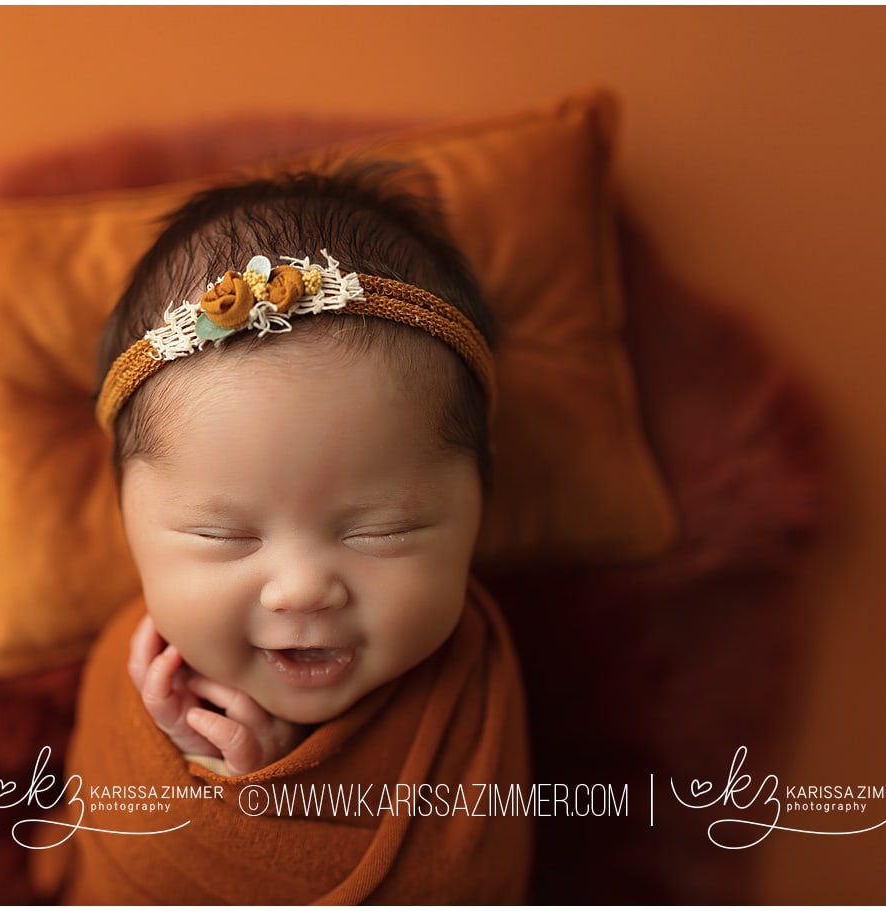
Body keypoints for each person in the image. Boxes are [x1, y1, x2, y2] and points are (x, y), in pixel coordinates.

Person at [34, 164, 531, 902]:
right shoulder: (132, 676)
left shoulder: (467, 693)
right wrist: (203, 774)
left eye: (381, 529)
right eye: (223, 534)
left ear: (478, 507)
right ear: (125, 518)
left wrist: (275, 789)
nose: (301, 588)